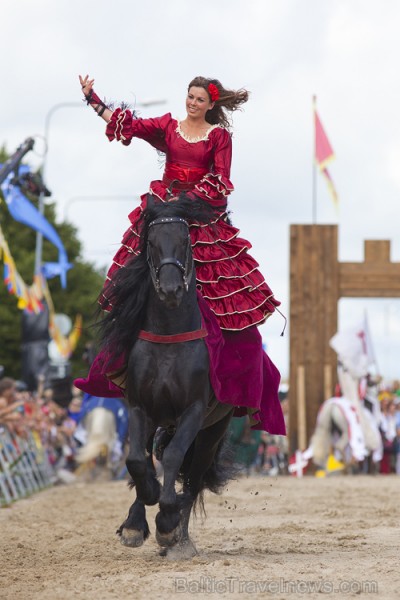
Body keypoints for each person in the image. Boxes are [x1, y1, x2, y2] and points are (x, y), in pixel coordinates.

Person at [74, 74, 285, 435]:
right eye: (190, 96)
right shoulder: (170, 127)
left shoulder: (219, 137)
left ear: (210, 105)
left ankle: (236, 392)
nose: (192, 103)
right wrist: (93, 100)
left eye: (200, 99)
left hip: (202, 220)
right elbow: (131, 126)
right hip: (162, 214)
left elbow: (221, 180)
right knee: (128, 291)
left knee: (235, 316)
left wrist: (188, 201)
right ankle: (126, 370)